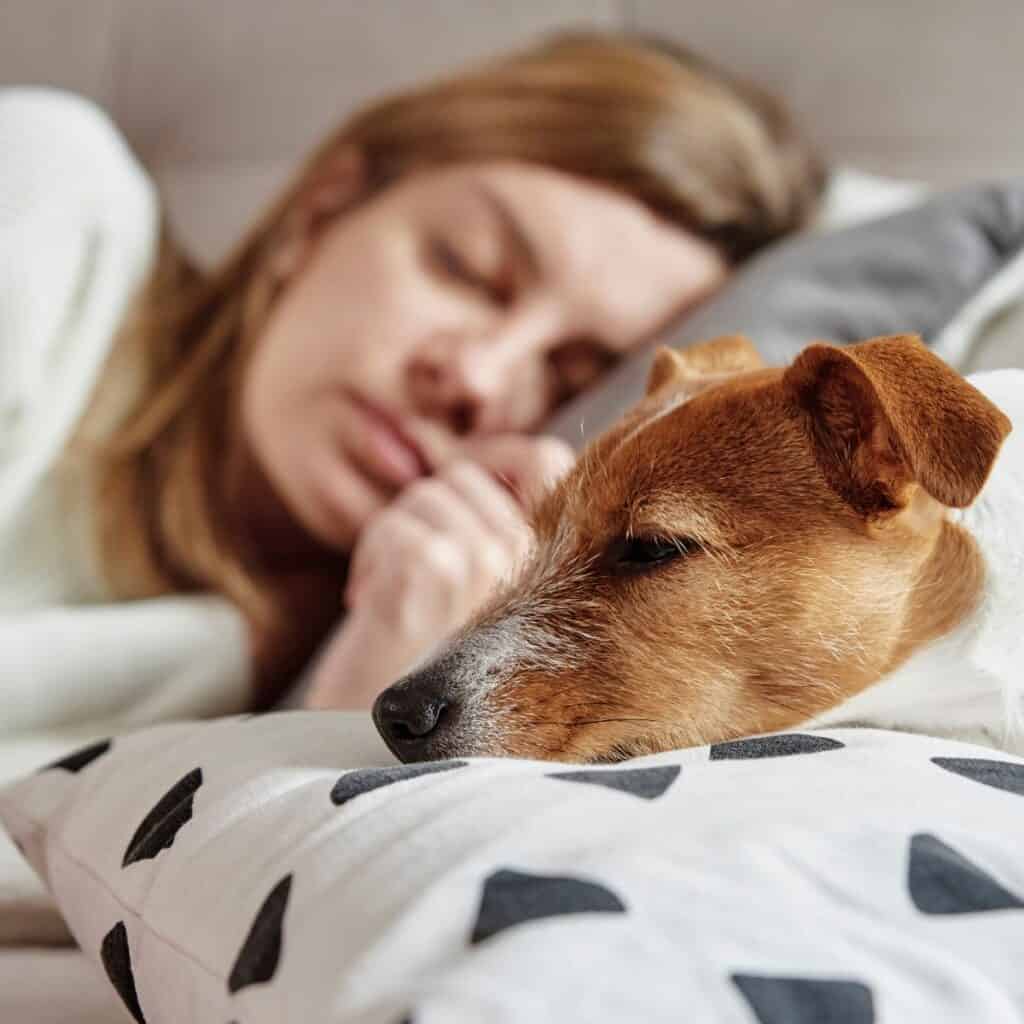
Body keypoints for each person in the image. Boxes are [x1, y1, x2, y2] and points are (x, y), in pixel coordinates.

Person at [0, 31, 824, 749]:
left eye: (570, 377)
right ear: (320, 212)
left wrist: (366, 703)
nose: (477, 378)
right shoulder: (54, 209)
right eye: (467, 267)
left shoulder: (316, 665)